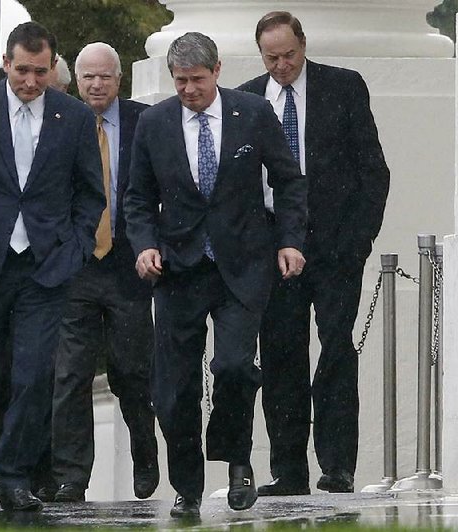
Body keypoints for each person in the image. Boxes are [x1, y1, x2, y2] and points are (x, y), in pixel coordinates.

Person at [123, 32, 308, 518]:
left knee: (232, 366)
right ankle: (186, 484)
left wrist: (290, 240)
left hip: (242, 266)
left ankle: (237, 461)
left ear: (217, 71)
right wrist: (144, 246)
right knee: (175, 388)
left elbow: (288, 180)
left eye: (197, 80)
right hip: (179, 269)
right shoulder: (154, 122)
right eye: (180, 81)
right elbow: (137, 197)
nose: (188, 90)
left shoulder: (252, 112)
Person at [0, 21, 104, 513]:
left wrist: (73, 250)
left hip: (45, 267)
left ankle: (11, 475)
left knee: (33, 375)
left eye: (40, 71)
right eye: (22, 70)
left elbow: (89, 192)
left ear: (53, 68)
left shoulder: (72, 117)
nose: (30, 81)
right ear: (5, 63)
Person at [237, 11, 390, 495]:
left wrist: (358, 241)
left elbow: (373, 171)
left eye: (290, 55)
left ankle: (338, 465)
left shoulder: (343, 87)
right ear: (260, 54)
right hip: (272, 246)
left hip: (335, 248)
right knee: (280, 357)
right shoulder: (244, 98)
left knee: (336, 350)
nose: (282, 66)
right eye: (272, 58)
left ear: (304, 45)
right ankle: (288, 470)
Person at [50, 42, 158, 503]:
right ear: (77, 78)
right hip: (76, 263)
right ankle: (72, 474)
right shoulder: (62, 119)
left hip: (129, 263)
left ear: (119, 79)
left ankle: (144, 452)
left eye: (105, 76)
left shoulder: (144, 122)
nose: (96, 84)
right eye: (88, 76)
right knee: (70, 374)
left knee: (131, 371)